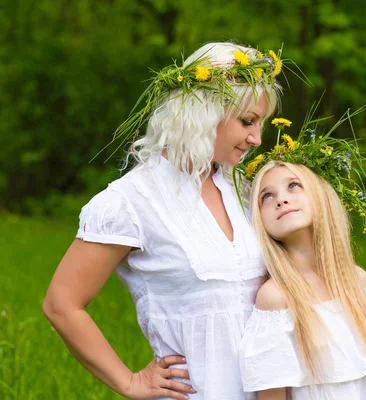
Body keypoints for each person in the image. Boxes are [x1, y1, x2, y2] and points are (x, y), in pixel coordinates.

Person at [43, 42, 285, 400]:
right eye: (247, 121)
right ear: (205, 111)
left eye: (260, 123)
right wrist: (129, 382)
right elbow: (61, 303)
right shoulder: (130, 202)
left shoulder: (244, 188)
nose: (257, 138)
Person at [237, 119, 366, 399]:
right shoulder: (276, 298)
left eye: (293, 186)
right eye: (267, 196)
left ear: (320, 196)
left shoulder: (355, 281)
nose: (281, 200)